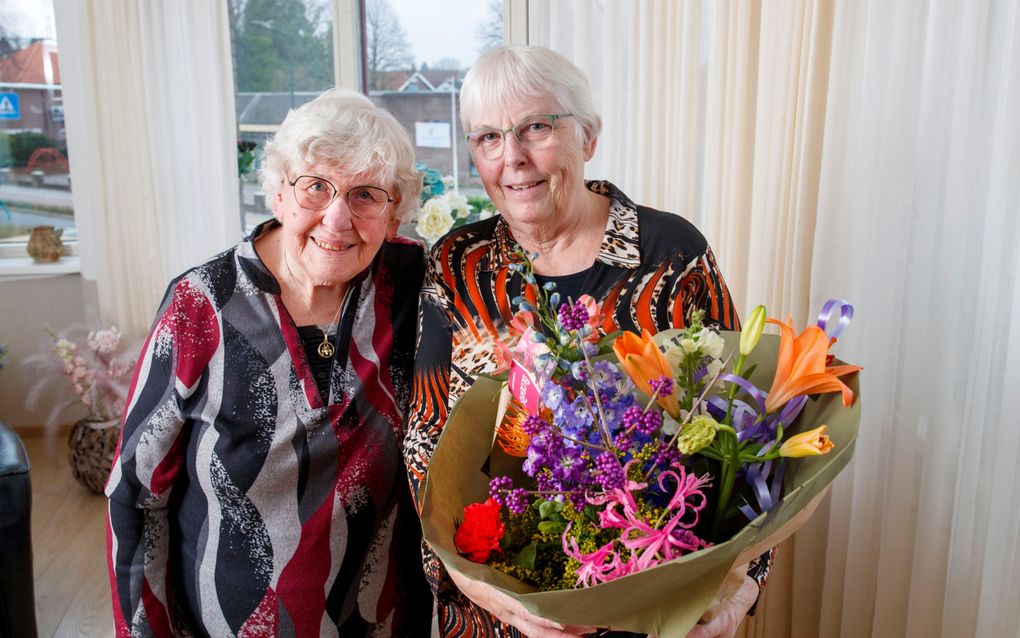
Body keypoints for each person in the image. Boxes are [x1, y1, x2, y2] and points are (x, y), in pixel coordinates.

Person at [404, 45, 769, 638]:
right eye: (488, 138)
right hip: (496, 610)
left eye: (536, 128)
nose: (513, 158)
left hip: (650, 600)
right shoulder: (456, 263)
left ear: (588, 137)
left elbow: (746, 434)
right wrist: (473, 587)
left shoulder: (670, 255)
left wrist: (740, 586)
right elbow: (426, 437)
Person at [106, 89, 432, 636]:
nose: (337, 219)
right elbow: (136, 494)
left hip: (382, 620)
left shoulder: (411, 286)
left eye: (366, 195)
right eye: (316, 187)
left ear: (394, 214)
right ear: (279, 191)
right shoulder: (201, 306)